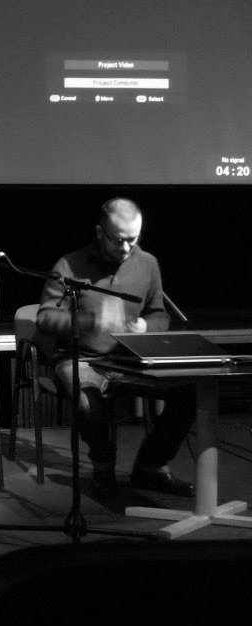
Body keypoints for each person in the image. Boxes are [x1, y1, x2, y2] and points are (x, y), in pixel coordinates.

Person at [36, 197, 195, 499]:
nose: (125, 248)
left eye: (132, 240)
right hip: (81, 359)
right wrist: (90, 321)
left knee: (190, 392)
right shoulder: (69, 264)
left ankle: (150, 467)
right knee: (88, 402)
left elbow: (159, 314)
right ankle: (103, 468)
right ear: (100, 232)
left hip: (128, 360)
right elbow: (45, 317)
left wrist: (147, 327)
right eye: (118, 240)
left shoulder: (147, 263)